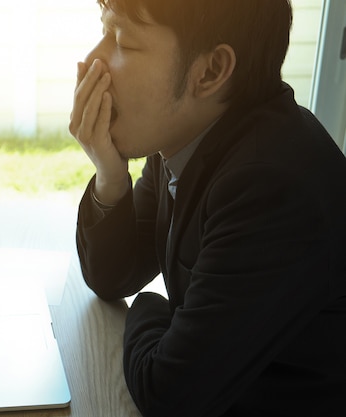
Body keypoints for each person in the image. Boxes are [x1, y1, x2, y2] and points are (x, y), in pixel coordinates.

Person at [69, 0, 346, 416]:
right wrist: (110, 176)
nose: (92, 60)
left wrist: (149, 306)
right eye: (104, 32)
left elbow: (169, 395)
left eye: (123, 40)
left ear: (211, 71)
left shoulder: (272, 189)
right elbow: (112, 275)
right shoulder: (188, 136)